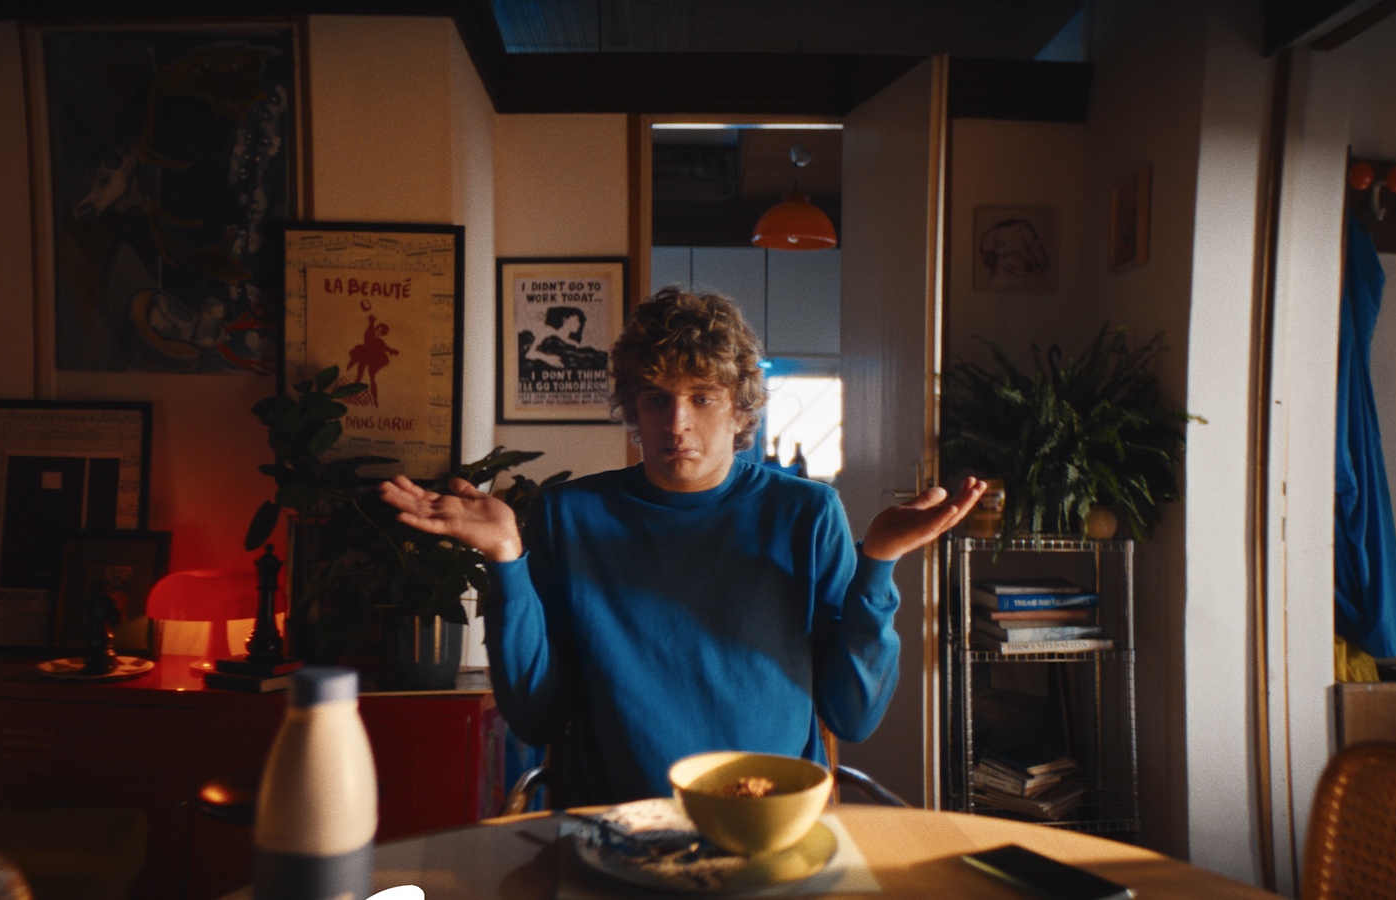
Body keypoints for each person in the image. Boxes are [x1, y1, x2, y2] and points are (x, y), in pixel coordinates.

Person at [381, 288, 985, 804]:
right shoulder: (570, 516)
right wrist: (506, 560)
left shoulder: (804, 513)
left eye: (702, 396)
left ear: (739, 408)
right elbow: (537, 715)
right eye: (656, 399)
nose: (676, 424)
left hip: (766, 822)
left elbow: (853, 715)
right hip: (612, 828)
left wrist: (878, 563)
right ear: (632, 410)